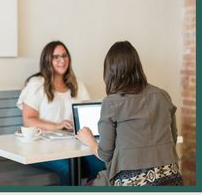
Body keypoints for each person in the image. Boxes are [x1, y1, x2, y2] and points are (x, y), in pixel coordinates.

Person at [77, 41, 183, 186]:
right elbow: (173, 138)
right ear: (137, 66)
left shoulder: (111, 102)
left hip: (133, 183)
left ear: (110, 71)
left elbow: (105, 155)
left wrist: (89, 140)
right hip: (172, 177)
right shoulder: (163, 96)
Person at [17, 40, 104, 185]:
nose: (61, 60)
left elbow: (86, 114)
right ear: (47, 60)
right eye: (56, 57)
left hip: (73, 145)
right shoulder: (36, 84)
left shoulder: (77, 85)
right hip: (40, 148)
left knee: (100, 164)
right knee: (68, 168)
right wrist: (57, 125)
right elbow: (28, 120)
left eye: (64, 56)